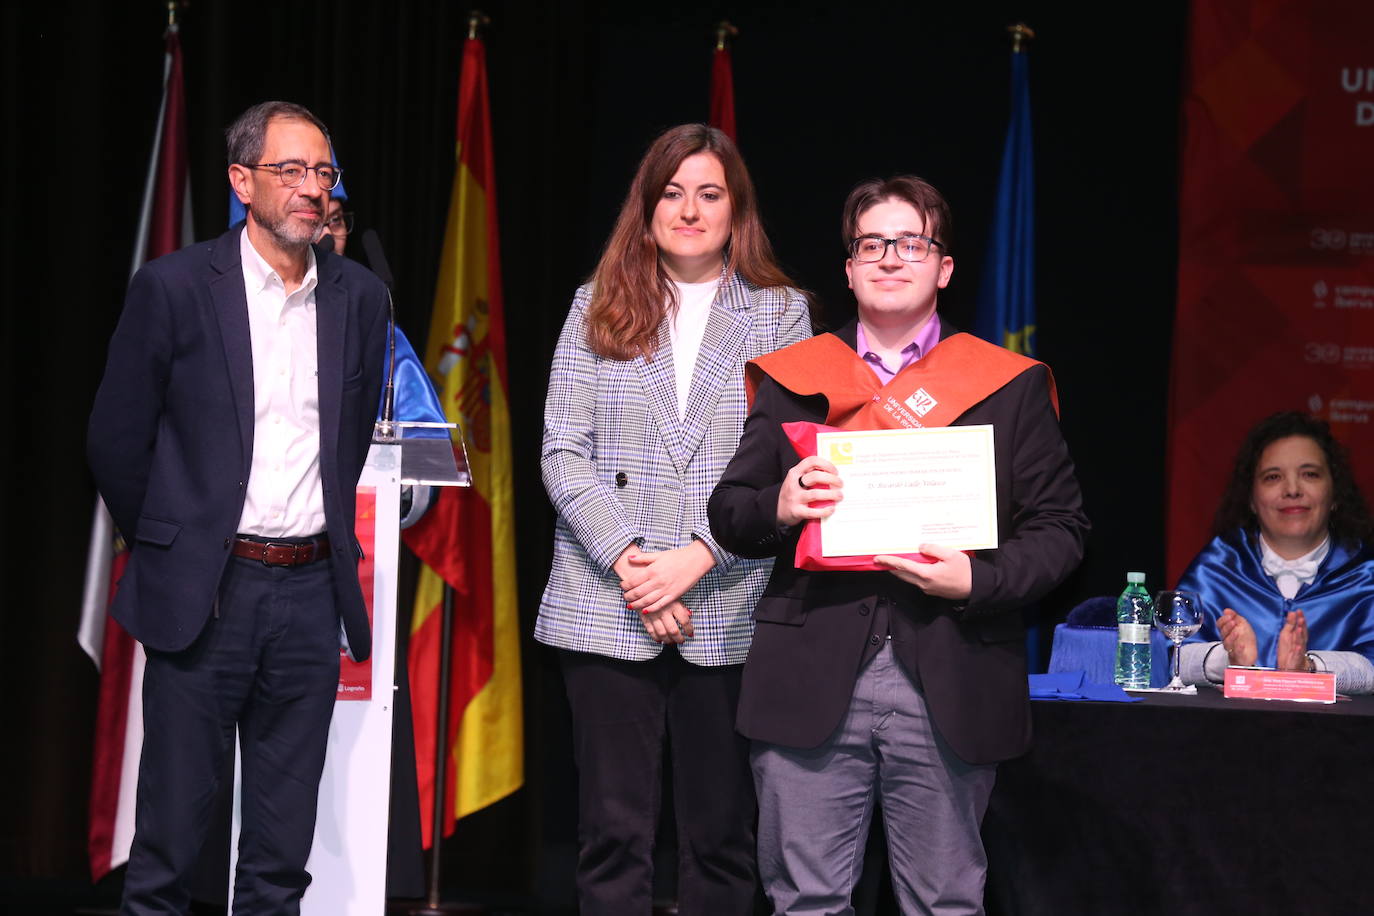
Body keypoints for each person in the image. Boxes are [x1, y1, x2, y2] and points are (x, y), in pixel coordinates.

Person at [708, 175, 1089, 914]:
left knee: (944, 903)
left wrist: (976, 581)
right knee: (805, 903)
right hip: (810, 673)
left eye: (911, 243)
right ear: (848, 267)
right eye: (871, 244)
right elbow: (730, 514)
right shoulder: (797, 379)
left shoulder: (1003, 387)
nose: (890, 258)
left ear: (943, 266)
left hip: (951, 668)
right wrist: (779, 506)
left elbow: (1062, 531)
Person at [88, 100, 389, 914]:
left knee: (278, 862)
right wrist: (172, 542)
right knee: (171, 854)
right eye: (289, 170)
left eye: (322, 172)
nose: (311, 189)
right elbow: (117, 439)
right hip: (206, 593)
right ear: (241, 180)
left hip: (306, 596)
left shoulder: (359, 299)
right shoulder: (178, 287)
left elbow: (351, 439)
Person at [534, 123, 811, 915]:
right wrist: (634, 565)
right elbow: (563, 452)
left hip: (729, 601)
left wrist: (695, 559)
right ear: (647, 205)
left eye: (710, 194)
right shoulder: (596, 303)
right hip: (606, 600)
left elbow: (788, 467)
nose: (689, 209)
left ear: (737, 210)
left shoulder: (781, 314)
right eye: (673, 192)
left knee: (723, 841)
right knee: (612, 836)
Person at [1178, 411, 1374, 694]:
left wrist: (1308, 668)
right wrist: (1228, 659)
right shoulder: (1216, 567)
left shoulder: (1366, 576)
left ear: (1335, 494)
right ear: (1252, 499)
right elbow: (1168, 654)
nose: (1292, 490)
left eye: (1309, 474)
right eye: (1273, 477)